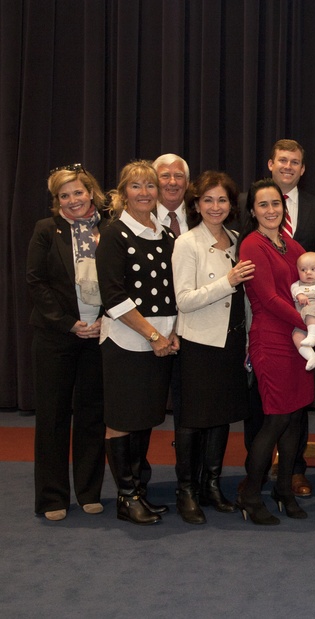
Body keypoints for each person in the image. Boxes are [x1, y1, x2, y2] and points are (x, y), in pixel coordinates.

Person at [237, 139, 315, 499]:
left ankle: (284, 492)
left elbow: (313, 282)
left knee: (295, 420)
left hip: (296, 343)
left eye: (276, 203)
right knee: (275, 420)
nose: (271, 209)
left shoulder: (291, 247)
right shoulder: (252, 245)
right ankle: (251, 493)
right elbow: (270, 299)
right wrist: (311, 324)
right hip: (271, 341)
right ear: (254, 210)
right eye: (263, 204)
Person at [96, 160, 180, 526]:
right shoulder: (114, 234)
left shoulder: (166, 235)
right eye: (136, 186)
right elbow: (114, 297)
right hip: (126, 340)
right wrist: (154, 335)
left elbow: (174, 291)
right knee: (122, 418)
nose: (144, 192)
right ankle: (126, 495)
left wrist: (172, 331)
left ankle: (139, 491)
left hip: (161, 341)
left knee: (145, 417)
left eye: (150, 186)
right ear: (123, 193)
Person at [170, 171, 253, 524]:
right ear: (196, 205)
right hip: (198, 345)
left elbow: (247, 299)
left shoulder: (237, 241)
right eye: (208, 200)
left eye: (222, 200)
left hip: (231, 342)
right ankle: (187, 490)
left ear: (231, 205)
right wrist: (228, 281)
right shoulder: (187, 243)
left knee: (220, 418)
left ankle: (212, 485)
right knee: (191, 421)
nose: (215, 206)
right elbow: (184, 300)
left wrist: (249, 338)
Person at [28, 164, 108, 521]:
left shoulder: (111, 227)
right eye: (64, 195)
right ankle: (52, 497)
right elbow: (36, 282)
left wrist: (106, 318)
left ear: (89, 192)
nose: (73, 200)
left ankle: (90, 491)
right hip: (57, 337)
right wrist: (69, 324)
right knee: (53, 416)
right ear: (56, 200)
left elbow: (121, 278)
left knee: (92, 415)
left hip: (101, 334)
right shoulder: (46, 230)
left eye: (78, 192)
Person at [153, 154, 190, 236]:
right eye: (165, 176)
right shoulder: (143, 216)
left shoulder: (200, 216)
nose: (173, 182)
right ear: (154, 182)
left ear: (187, 183)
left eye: (178, 176)